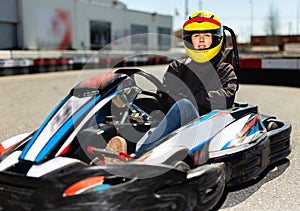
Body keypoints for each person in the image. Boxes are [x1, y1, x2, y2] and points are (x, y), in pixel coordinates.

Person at [106, 10, 238, 157]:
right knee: (140, 104)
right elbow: (166, 96)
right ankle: (117, 145)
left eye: (206, 36)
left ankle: (139, 154)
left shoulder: (224, 69)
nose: (201, 41)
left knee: (185, 105)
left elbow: (226, 98)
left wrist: (189, 97)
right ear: (189, 40)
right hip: (175, 123)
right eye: (196, 36)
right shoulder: (178, 67)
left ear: (216, 39)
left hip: (207, 127)